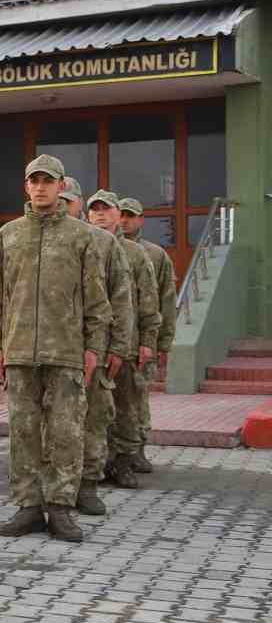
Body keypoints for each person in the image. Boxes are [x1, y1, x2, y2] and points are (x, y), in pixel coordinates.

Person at [0, 154, 111, 543]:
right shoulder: (9, 234)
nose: (40, 187)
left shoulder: (82, 236)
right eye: (34, 180)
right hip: (19, 350)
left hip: (67, 351)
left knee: (65, 433)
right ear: (26, 186)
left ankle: (60, 508)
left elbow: (96, 299)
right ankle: (27, 506)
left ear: (61, 187)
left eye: (47, 181)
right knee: (23, 432)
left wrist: (94, 348)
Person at [92, 191, 159, 488]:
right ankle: (97, 463)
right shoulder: (81, 245)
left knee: (125, 407)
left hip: (127, 345)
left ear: (118, 215)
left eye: (106, 210)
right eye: (94, 209)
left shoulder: (134, 253)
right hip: (91, 345)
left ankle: (124, 463)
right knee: (95, 410)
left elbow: (148, 301)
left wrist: (148, 341)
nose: (99, 214)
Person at [71, 189, 133, 515]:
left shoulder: (104, 244)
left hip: (96, 349)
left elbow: (121, 301)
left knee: (94, 419)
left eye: (69, 201)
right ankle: (56, 487)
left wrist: (119, 347)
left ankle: (88, 484)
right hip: (56, 351)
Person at [119, 198, 177, 472]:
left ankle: (138, 448)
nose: (125, 220)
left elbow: (165, 300)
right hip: (117, 341)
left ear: (141, 220)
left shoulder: (154, 255)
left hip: (142, 340)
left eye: (131, 216)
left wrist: (161, 341)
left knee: (138, 396)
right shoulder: (102, 247)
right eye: (122, 215)